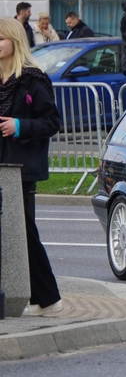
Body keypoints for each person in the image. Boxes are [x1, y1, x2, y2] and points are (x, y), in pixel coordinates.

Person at [0, 18, 62, 315]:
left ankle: (48, 297)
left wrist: (20, 125)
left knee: (24, 232)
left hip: (20, 167)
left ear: (15, 41)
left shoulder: (32, 79)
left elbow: (52, 122)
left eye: (1, 39)